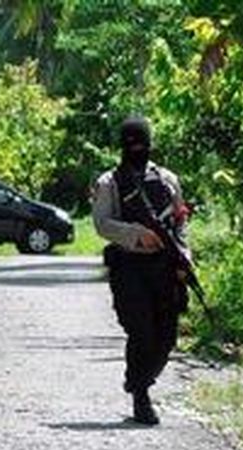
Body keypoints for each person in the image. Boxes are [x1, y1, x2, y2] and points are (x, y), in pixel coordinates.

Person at [92, 116, 191, 425]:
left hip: (164, 267)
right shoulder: (108, 182)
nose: (138, 149)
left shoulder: (167, 179)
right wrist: (135, 234)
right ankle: (141, 395)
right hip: (129, 267)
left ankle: (140, 380)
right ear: (122, 147)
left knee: (167, 337)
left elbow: (180, 222)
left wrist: (184, 258)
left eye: (143, 144)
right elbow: (102, 223)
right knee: (141, 332)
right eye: (132, 144)